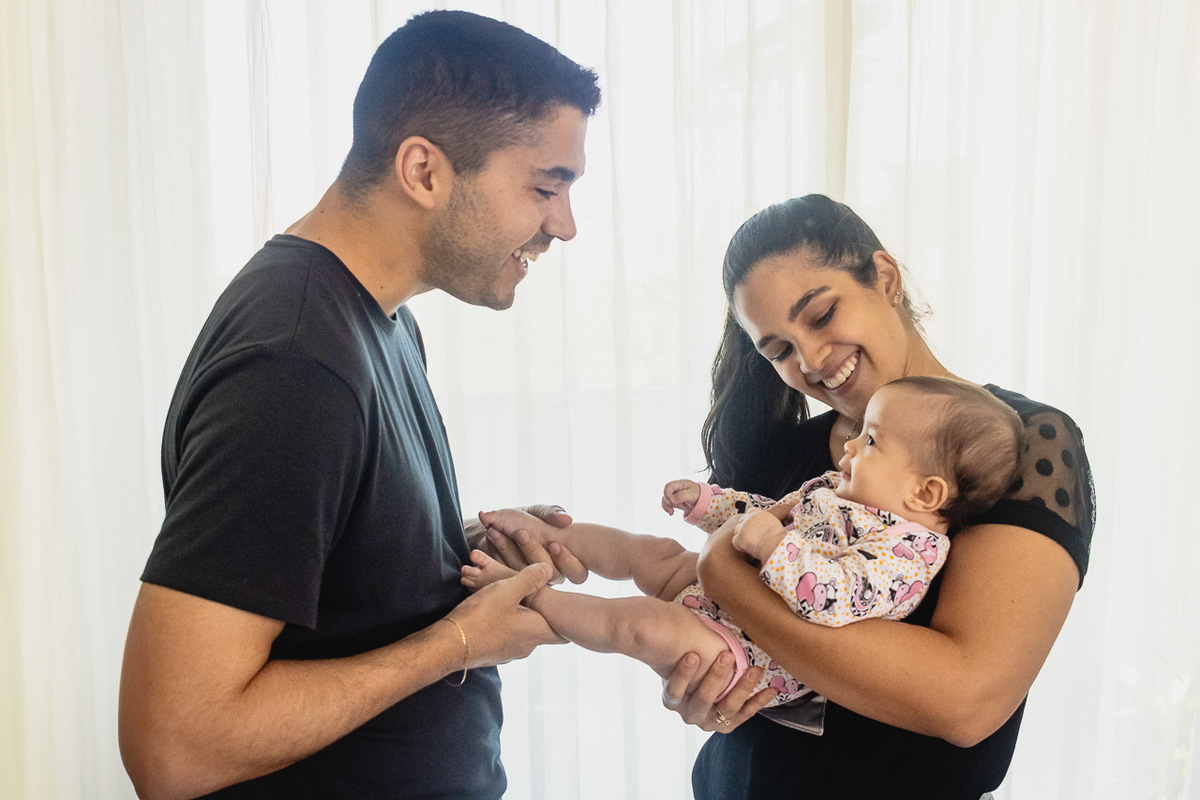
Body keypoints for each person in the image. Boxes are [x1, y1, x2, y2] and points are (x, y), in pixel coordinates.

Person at [118, 11, 599, 799]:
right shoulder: (295, 361)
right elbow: (174, 748)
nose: (564, 226)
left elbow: (318, 569)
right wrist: (457, 643)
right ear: (424, 170)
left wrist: (455, 547)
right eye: (546, 187)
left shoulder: (378, 319)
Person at [651, 194, 1094, 799]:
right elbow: (731, 645)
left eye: (822, 313)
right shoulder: (789, 456)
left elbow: (966, 701)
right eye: (778, 349)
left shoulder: (1025, 444)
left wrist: (724, 571)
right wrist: (708, 684)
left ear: (884, 279)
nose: (808, 359)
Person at [463, 376, 1023, 715]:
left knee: (641, 625)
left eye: (871, 440)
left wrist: (777, 545)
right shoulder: (838, 488)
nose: (850, 445)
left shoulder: (910, 554)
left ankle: (527, 597)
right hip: (726, 598)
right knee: (654, 550)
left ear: (925, 492)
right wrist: (707, 504)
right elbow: (762, 513)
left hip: (751, 656)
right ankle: (550, 534)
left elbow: (831, 597)